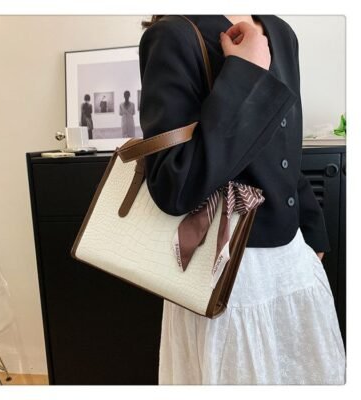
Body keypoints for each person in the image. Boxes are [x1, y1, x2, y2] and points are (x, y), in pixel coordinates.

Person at [138, 14, 345, 385]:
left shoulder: (280, 33)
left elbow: (285, 149)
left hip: (293, 268)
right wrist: (244, 72)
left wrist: (311, 232)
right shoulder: (174, 36)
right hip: (224, 280)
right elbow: (173, 185)